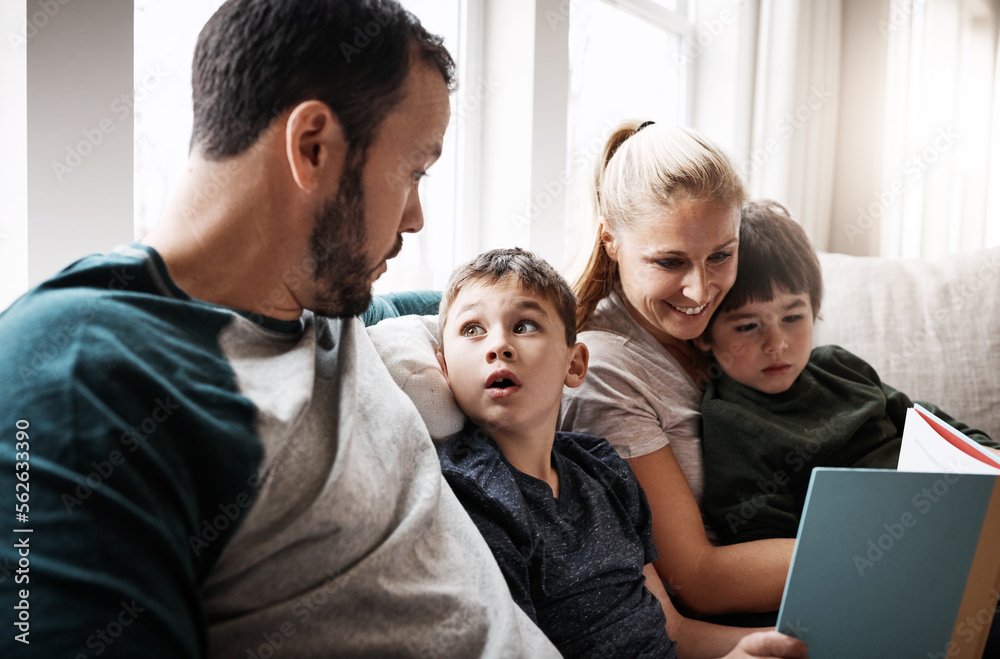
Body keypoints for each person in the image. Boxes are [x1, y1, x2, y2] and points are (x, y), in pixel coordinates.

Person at [0, 2, 561, 657]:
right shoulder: (82, 380)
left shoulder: (329, 300)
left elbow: (493, 308)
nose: (415, 218)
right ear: (313, 146)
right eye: (413, 171)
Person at [435, 247, 809, 659]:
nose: (499, 346)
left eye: (524, 326)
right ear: (444, 368)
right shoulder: (469, 494)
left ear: (575, 366)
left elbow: (672, 629)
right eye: (472, 329)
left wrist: (775, 646)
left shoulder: (600, 467)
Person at [560, 120, 793, 619]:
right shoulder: (599, 370)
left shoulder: (725, 327)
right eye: (669, 263)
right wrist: (876, 547)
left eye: (721, 256)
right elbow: (696, 580)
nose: (700, 290)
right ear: (610, 241)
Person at [692, 199, 999, 545]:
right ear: (704, 332)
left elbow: (923, 418)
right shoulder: (732, 423)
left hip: (960, 514)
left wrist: (990, 454)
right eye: (748, 326)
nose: (776, 343)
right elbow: (763, 542)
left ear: (815, 310)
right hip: (889, 551)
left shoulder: (838, 366)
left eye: (792, 318)